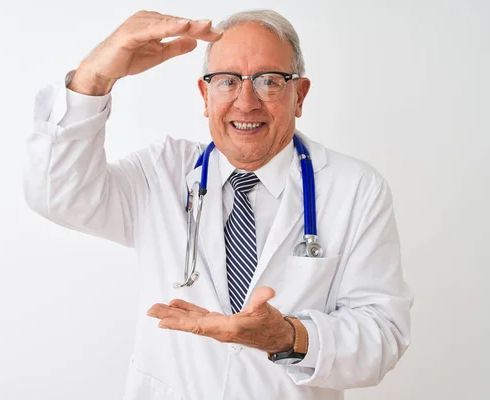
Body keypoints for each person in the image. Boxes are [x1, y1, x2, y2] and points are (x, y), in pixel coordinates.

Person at [24, 9, 413, 400]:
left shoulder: (355, 189)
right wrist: (94, 76)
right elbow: (56, 195)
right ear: (205, 95)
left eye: (269, 81)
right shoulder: (162, 172)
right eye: (227, 81)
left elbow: (382, 334)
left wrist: (288, 336)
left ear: (300, 94)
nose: (246, 102)